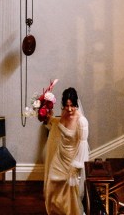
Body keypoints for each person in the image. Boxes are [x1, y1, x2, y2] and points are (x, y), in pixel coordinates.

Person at [44, 87, 89, 215]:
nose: (69, 109)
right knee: (52, 182)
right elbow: (57, 125)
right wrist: (47, 118)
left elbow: (83, 146)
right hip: (59, 156)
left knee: (69, 191)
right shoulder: (64, 113)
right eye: (66, 106)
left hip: (72, 160)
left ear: (76, 104)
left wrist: (76, 167)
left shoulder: (82, 121)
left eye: (72, 106)